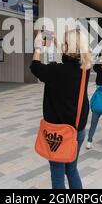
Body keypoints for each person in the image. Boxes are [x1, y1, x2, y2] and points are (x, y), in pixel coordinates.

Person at [30, 29, 92, 189]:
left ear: (67, 46)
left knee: (57, 174)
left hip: (58, 134)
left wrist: (37, 48)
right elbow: (71, 57)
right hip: (77, 131)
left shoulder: (55, 71)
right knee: (71, 170)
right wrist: (58, 41)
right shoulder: (85, 68)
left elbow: (35, 67)